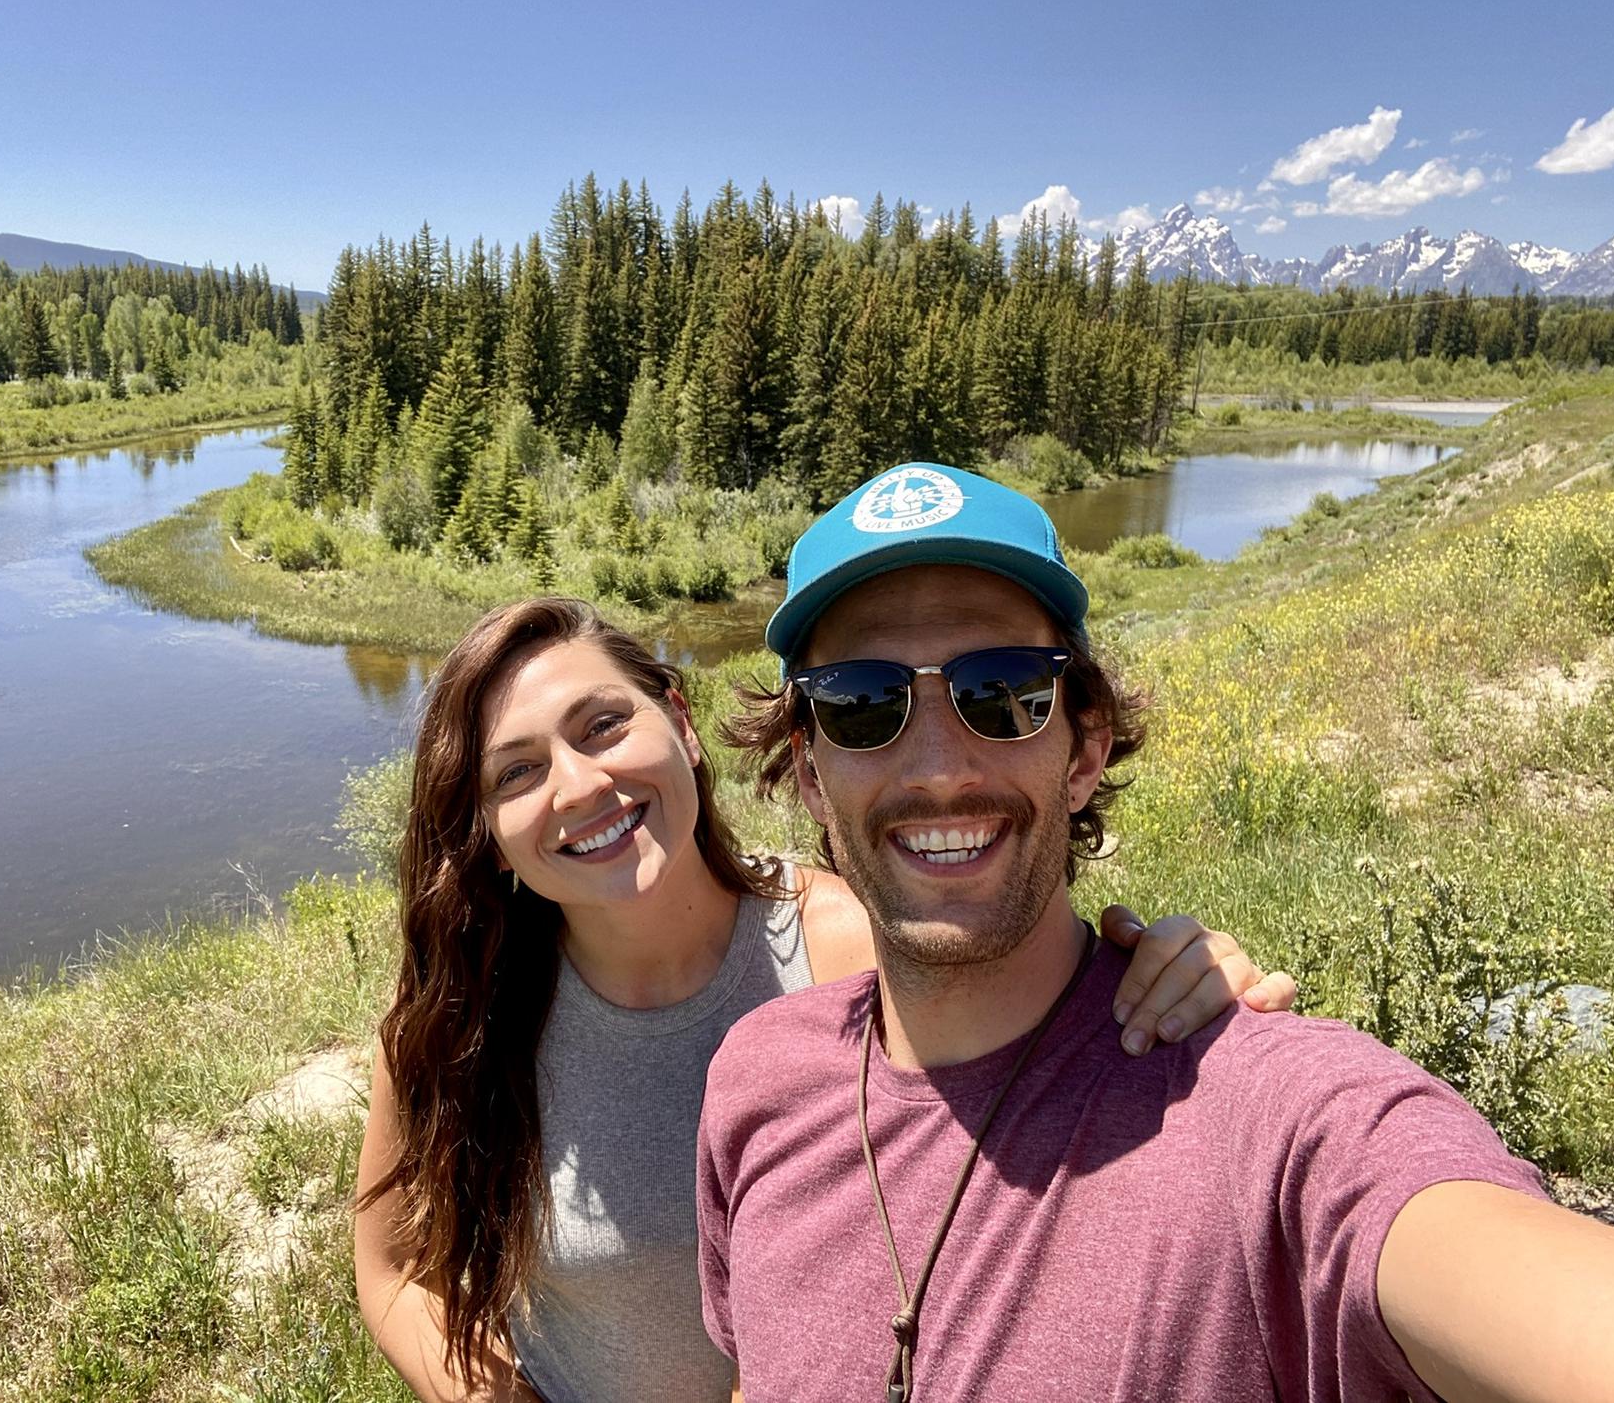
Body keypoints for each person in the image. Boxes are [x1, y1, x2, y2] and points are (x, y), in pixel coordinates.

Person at [696, 462, 1614, 1403]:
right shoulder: (759, 1081)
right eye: (863, 704)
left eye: (1005, 690)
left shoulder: (1262, 1115)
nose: (941, 766)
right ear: (812, 776)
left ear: (1087, 750)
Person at [353, 596, 1297, 1403]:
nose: (579, 784)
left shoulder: (857, 948)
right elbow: (392, 1268)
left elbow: (1041, 1005)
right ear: (484, 826)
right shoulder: (461, 1013)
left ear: (680, 718)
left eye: (603, 725)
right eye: (516, 771)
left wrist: (1188, 985)